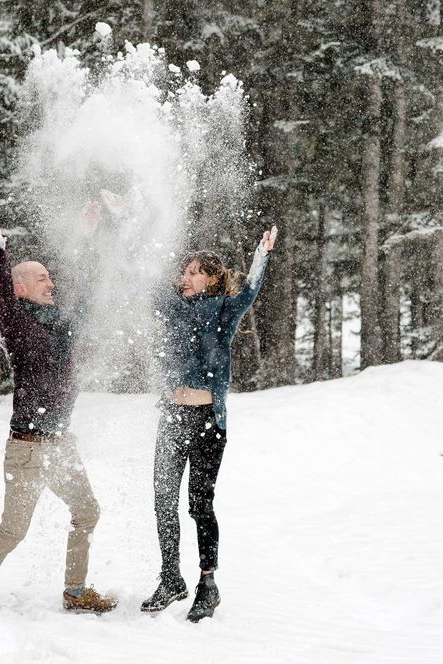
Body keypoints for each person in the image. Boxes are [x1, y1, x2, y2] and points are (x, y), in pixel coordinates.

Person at [0, 211, 117, 614]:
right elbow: (0, 292)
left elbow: (82, 289)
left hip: (60, 446)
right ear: (20, 288)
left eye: (50, 277)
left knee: (87, 512)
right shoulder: (16, 322)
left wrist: (85, 239)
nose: (51, 283)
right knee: (13, 531)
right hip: (28, 449)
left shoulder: (62, 322)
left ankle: (75, 592)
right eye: (41, 278)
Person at [141, 225, 278, 622]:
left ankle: (207, 583)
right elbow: (145, 270)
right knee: (162, 498)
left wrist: (261, 253)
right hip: (171, 416)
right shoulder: (171, 305)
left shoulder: (225, 308)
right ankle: (170, 578)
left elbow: (250, 289)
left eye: (193, 272)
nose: (183, 278)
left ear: (213, 278)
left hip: (207, 421)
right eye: (182, 272)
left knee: (199, 504)